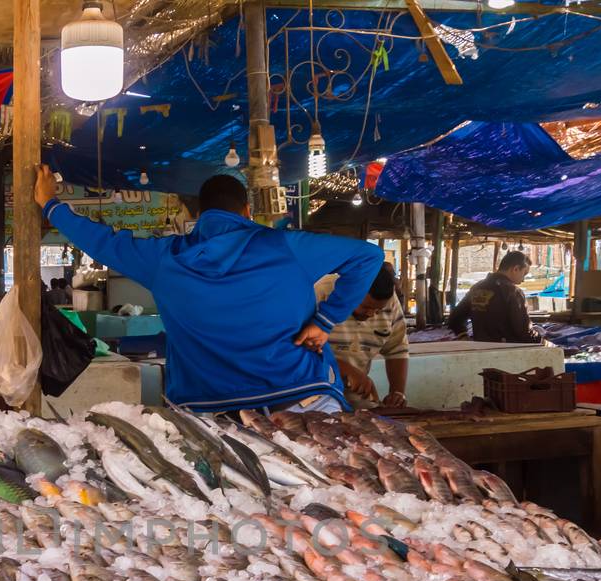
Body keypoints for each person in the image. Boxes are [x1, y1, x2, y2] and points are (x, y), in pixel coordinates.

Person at [36, 169, 382, 413]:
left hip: (209, 414)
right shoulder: (286, 245)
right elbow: (369, 257)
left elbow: (102, 242)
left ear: (199, 215)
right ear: (246, 211)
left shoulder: (164, 258)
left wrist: (51, 204)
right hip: (302, 401)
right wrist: (324, 321)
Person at [316, 262, 409, 408]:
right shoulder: (319, 293)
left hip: (357, 399)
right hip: (313, 397)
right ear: (351, 292)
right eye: (366, 307)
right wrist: (345, 369)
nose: (371, 314)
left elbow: (397, 350)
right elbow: (296, 348)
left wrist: (397, 392)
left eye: (378, 310)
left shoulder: (388, 300)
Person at [446, 250, 540, 343]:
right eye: (524, 273)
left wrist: (463, 336)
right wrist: (542, 340)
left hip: (480, 350)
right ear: (515, 269)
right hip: (507, 353)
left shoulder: (477, 287)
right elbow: (524, 332)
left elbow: (454, 318)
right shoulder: (513, 292)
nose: (523, 279)